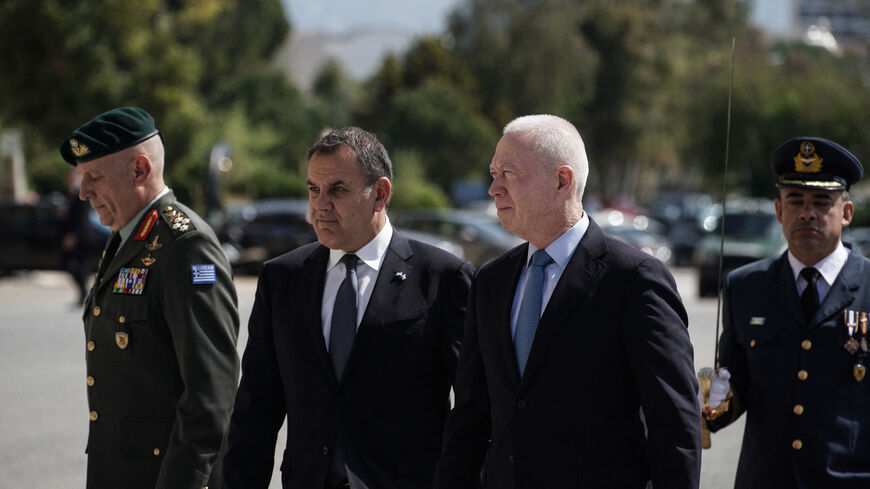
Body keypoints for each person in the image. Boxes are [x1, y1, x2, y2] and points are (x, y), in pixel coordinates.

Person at [435, 114, 702, 489]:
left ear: (562, 181)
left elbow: (674, 422)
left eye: (508, 173)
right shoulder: (491, 281)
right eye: (493, 173)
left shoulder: (634, 278)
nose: (494, 188)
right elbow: (470, 417)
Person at [222, 127, 474, 489]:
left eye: (337, 190)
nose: (320, 205)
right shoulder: (283, 278)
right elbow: (256, 409)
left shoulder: (443, 278)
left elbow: (473, 412)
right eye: (313, 189)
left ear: (380, 194)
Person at [61, 107, 240, 489]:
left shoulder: (185, 245)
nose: (83, 191)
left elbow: (210, 396)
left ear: (139, 170)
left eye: (94, 177)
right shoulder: (128, 236)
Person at [703, 137, 870, 488]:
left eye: (822, 202)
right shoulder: (745, 286)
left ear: (847, 213)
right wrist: (712, 402)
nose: (807, 212)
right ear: (779, 211)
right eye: (795, 201)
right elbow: (734, 389)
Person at [60, 169, 102, 304]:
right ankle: (83, 292)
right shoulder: (70, 195)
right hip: (72, 234)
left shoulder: (81, 195)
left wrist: (74, 235)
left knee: (79, 265)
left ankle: (85, 293)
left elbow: (82, 219)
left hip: (81, 235)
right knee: (70, 264)